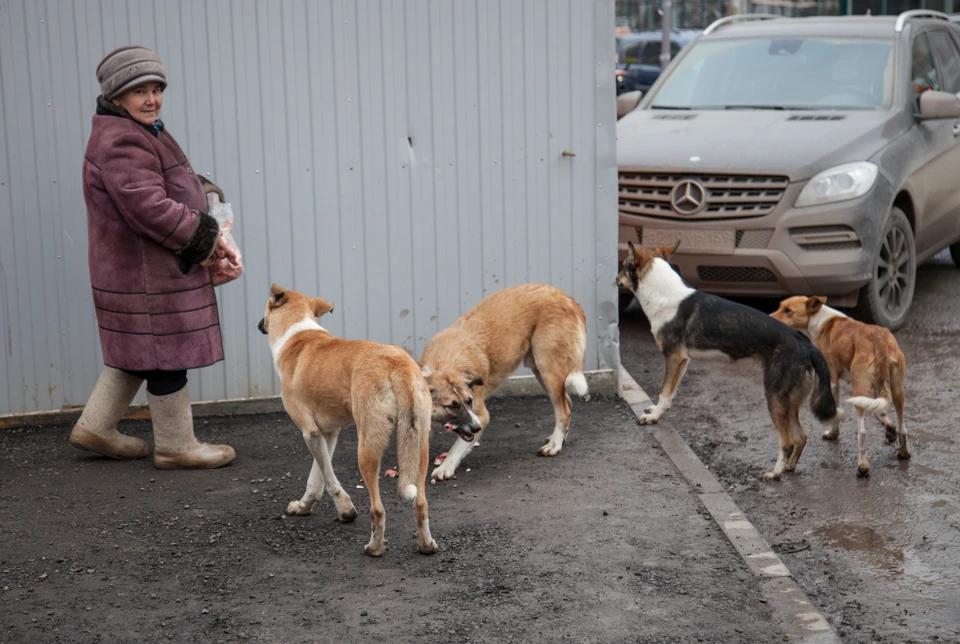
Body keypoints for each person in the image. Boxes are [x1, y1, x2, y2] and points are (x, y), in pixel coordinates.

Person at [70, 45, 237, 469]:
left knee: (138, 351)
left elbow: (174, 181)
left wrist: (212, 204)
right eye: (138, 91)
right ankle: (176, 446)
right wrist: (208, 235)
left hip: (138, 271)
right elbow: (150, 206)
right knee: (164, 357)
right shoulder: (122, 139)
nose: (151, 99)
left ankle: (96, 427)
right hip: (146, 275)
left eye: (156, 88)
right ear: (116, 96)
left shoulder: (137, 130)